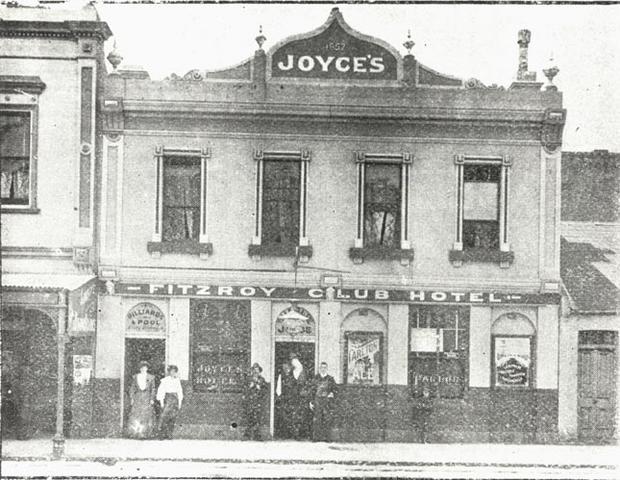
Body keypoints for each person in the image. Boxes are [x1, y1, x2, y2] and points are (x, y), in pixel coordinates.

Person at [126, 360, 157, 439]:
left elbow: (153, 389)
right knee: (136, 414)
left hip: (147, 396)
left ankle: (145, 433)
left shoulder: (151, 377)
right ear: (140, 369)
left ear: (147, 368)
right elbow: (132, 388)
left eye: (145, 367)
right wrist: (132, 398)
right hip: (138, 396)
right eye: (142, 368)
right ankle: (135, 433)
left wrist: (152, 399)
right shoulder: (136, 376)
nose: (143, 369)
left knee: (146, 415)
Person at [310, 362, 336, 442]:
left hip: (326, 401)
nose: (323, 369)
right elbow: (312, 391)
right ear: (319, 368)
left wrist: (332, 393)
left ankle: (327, 438)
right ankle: (316, 438)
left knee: (327, 419)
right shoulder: (315, 378)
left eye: (325, 367)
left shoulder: (330, 379)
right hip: (317, 400)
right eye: (321, 367)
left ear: (327, 368)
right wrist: (311, 402)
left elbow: (334, 389)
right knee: (317, 419)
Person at [157, 365, 183, 439]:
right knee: (164, 417)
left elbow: (179, 391)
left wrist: (180, 402)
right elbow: (161, 391)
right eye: (171, 371)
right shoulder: (165, 380)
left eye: (174, 372)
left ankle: (169, 434)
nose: (173, 373)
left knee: (173, 417)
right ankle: (161, 434)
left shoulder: (177, 381)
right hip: (167, 399)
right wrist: (161, 402)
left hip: (175, 399)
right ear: (169, 372)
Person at [243, 363, 267, 440]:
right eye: (254, 370)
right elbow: (244, 390)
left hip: (258, 402)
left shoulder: (262, 380)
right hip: (250, 401)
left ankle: (257, 435)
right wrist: (250, 387)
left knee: (257, 419)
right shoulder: (248, 379)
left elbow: (265, 391)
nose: (256, 372)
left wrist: (259, 388)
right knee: (249, 418)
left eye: (257, 370)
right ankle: (247, 435)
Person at [289, 353, 308, 439]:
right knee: (293, 414)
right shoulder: (291, 373)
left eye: (296, 361)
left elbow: (307, 385)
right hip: (293, 396)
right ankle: (294, 433)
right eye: (293, 361)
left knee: (301, 414)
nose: (294, 363)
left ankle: (300, 433)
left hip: (302, 396)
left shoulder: (304, 373)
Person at [275, 361, 295, 439]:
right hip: (284, 398)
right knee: (283, 416)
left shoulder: (293, 376)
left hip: (291, 398)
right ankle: (283, 433)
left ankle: (290, 434)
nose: (287, 369)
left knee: (291, 416)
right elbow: (279, 388)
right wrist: (279, 396)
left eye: (288, 368)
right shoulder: (281, 376)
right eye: (285, 368)